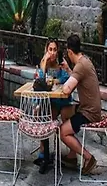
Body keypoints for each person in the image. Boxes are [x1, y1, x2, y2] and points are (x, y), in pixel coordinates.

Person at [59, 34, 102, 175]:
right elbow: (77, 77)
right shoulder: (85, 61)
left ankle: (88, 158)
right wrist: (68, 70)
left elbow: (66, 89)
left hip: (89, 112)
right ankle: (72, 156)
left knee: (62, 132)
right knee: (65, 111)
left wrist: (64, 84)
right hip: (89, 107)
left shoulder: (80, 66)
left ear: (70, 52)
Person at [35, 39, 73, 172]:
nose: (52, 52)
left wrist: (55, 80)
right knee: (43, 115)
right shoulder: (44, 63)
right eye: (50, 49)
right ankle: (43, 151)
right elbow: (40, 81)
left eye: (54, 49)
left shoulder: (61, 63)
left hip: (63, 100)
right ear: (46, 50)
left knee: (66, 117)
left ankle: (71, 154)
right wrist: (44, 63)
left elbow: (66, 78)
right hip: (52, 101)